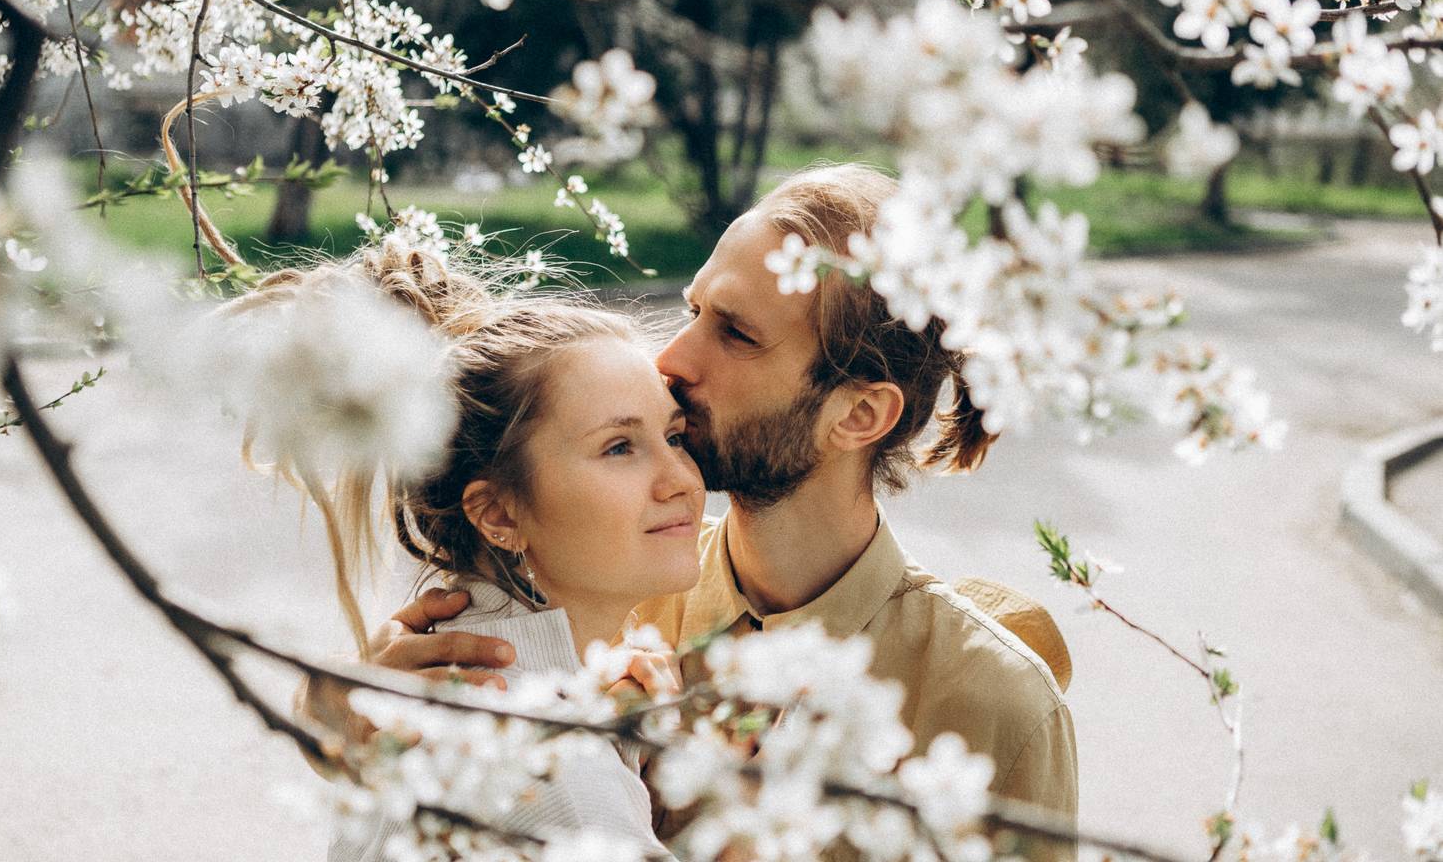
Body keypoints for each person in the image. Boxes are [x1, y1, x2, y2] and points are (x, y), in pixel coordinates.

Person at [305, 164, 1078, 858]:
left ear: (858, 415)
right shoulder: (603, 588)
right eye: (694, 309)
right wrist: (335, 716)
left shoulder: (992, 702)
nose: (672, 358)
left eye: (735, 333)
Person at [242, 240, 702, 860]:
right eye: (619, 447)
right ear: (497, 514)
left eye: (674, 436)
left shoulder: (442, 708)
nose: (681, 479)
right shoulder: (554, 771)